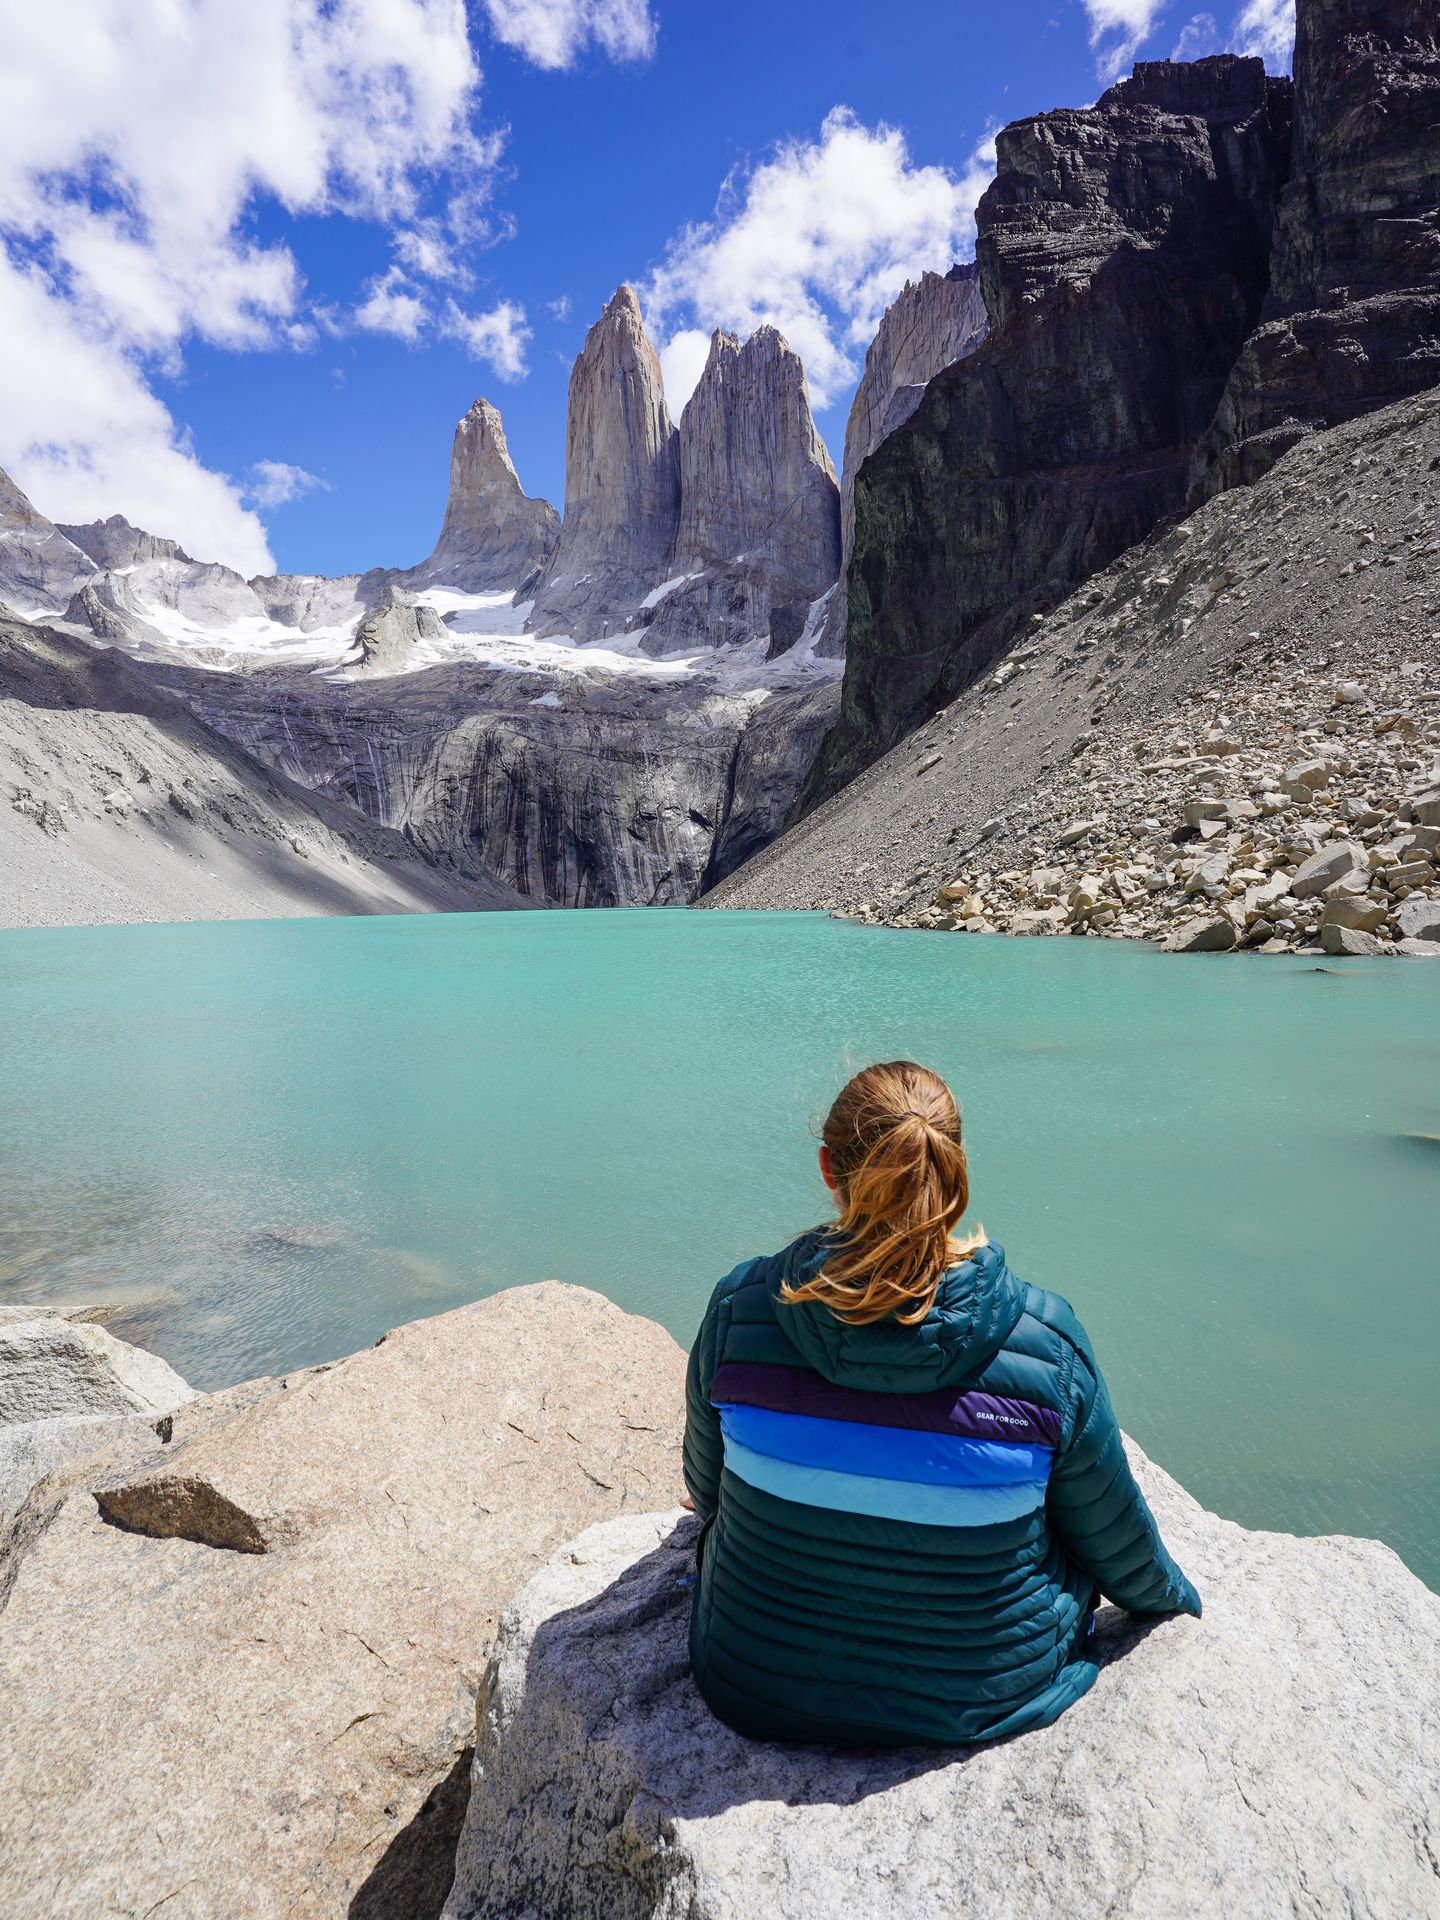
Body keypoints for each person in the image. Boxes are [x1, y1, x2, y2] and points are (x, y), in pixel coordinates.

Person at [682, 1059, 1200, 1746]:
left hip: (754, 1682)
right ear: (953, 1171)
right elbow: (1117, 1546)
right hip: (983, 1694)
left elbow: (707, 1490)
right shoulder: (1043, 1344)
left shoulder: (741, 1310)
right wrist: (1177, 1602)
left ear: (828, 1170)